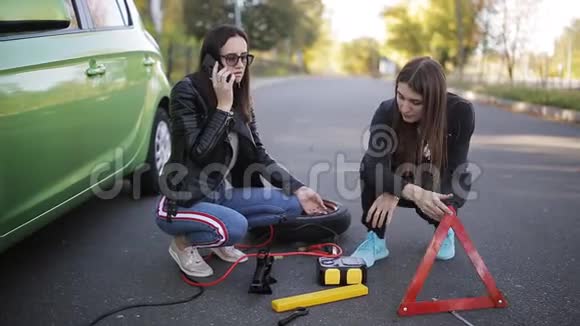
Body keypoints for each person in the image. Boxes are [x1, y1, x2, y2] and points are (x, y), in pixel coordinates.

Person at [155, 25, 329, 278]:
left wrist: (299, 187)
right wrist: (223, 107)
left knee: (292, 204)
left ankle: (217, 235)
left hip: (218, 195)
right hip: (182, 201)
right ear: (211, 60)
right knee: (236, 227)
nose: (240, 64)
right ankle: (183, 244)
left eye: (244, 57)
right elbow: (197, 153)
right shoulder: (185, 92)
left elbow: (259, 154)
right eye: (231, 58)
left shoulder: (241, 96)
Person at [352, 56, 475, 267]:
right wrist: (398, 190)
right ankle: (375, 239)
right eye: (401, 96)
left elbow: (455, 170)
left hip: (437, 178)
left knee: (447, 187)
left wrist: (419, 195)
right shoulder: (387, 111)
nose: (405, 108)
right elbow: (373, 165)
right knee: (368, 168)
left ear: (434, 101)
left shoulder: (460, 112)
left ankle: (444, 230)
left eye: (415, 102)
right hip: (400, 175)